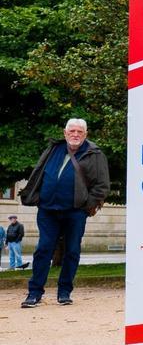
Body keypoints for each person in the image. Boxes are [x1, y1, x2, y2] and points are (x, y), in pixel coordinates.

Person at [19, 119, 109, 307]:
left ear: (85, 134)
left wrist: (85, 206)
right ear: (65, 132)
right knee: (43, 249)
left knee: (72, 251)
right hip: (48, 209)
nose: (75, 134)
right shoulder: (54, 149)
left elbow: (102, 186)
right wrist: (36, 195)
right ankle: (34, 293)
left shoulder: (95, 153)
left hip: (75, 212)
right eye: (72, 131)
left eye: (80, 131)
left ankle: (64, 292)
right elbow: (38, 172)